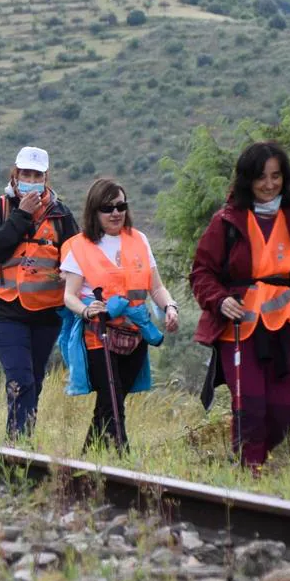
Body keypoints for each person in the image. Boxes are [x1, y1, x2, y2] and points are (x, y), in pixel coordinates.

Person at [190, 141, 290, 470]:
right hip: (239, 328)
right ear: (247, 179)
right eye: (261, 177)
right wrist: (219, 300)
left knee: (284, 410)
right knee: (250, 407)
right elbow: (202, 272)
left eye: (276, 176)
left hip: (284, 327)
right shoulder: (226, 220)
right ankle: (250, 475)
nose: (269, 184)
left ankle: (248, 460)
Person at [59, 178, 180, 450]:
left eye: (120, 206)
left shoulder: (140, 241)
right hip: (98, 335)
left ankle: (88, 461)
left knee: (111, 403)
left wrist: (170, 306)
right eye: (107, 207)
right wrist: (87, 310)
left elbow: (156, 286)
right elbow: (69, 296)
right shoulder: (79, 246)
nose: (115, 213)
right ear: (94, 211)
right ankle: (123, 457)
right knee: (112, 400)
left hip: (135, 335)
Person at [0, 146, 79, 439]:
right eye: (25, 174)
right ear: (15, 175)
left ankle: (20, 442)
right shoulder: (0, 208)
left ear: (46, 178)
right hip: (5, 310)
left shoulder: (61, 215)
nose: (31, 179)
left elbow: (76, 257)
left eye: (37, 174)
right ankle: (18, 444)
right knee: (20, 378)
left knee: (34, 379)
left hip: (46, 313)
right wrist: (21, 216)